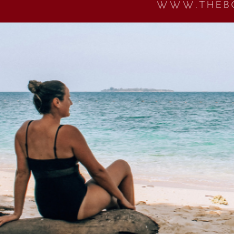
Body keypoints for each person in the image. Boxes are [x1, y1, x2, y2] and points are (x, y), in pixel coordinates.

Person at [0, 80, 135, 227]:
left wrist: (17, 213)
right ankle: (132, 215)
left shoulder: (23, 130)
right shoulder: (69, 132)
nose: (71, 103)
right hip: (75, 206)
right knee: (122, 166)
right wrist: (122, 197)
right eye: (68, 98)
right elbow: (97, 171)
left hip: (46, 208)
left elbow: (21, 173)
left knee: (111, 198)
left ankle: (118, 208)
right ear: (57, 102)